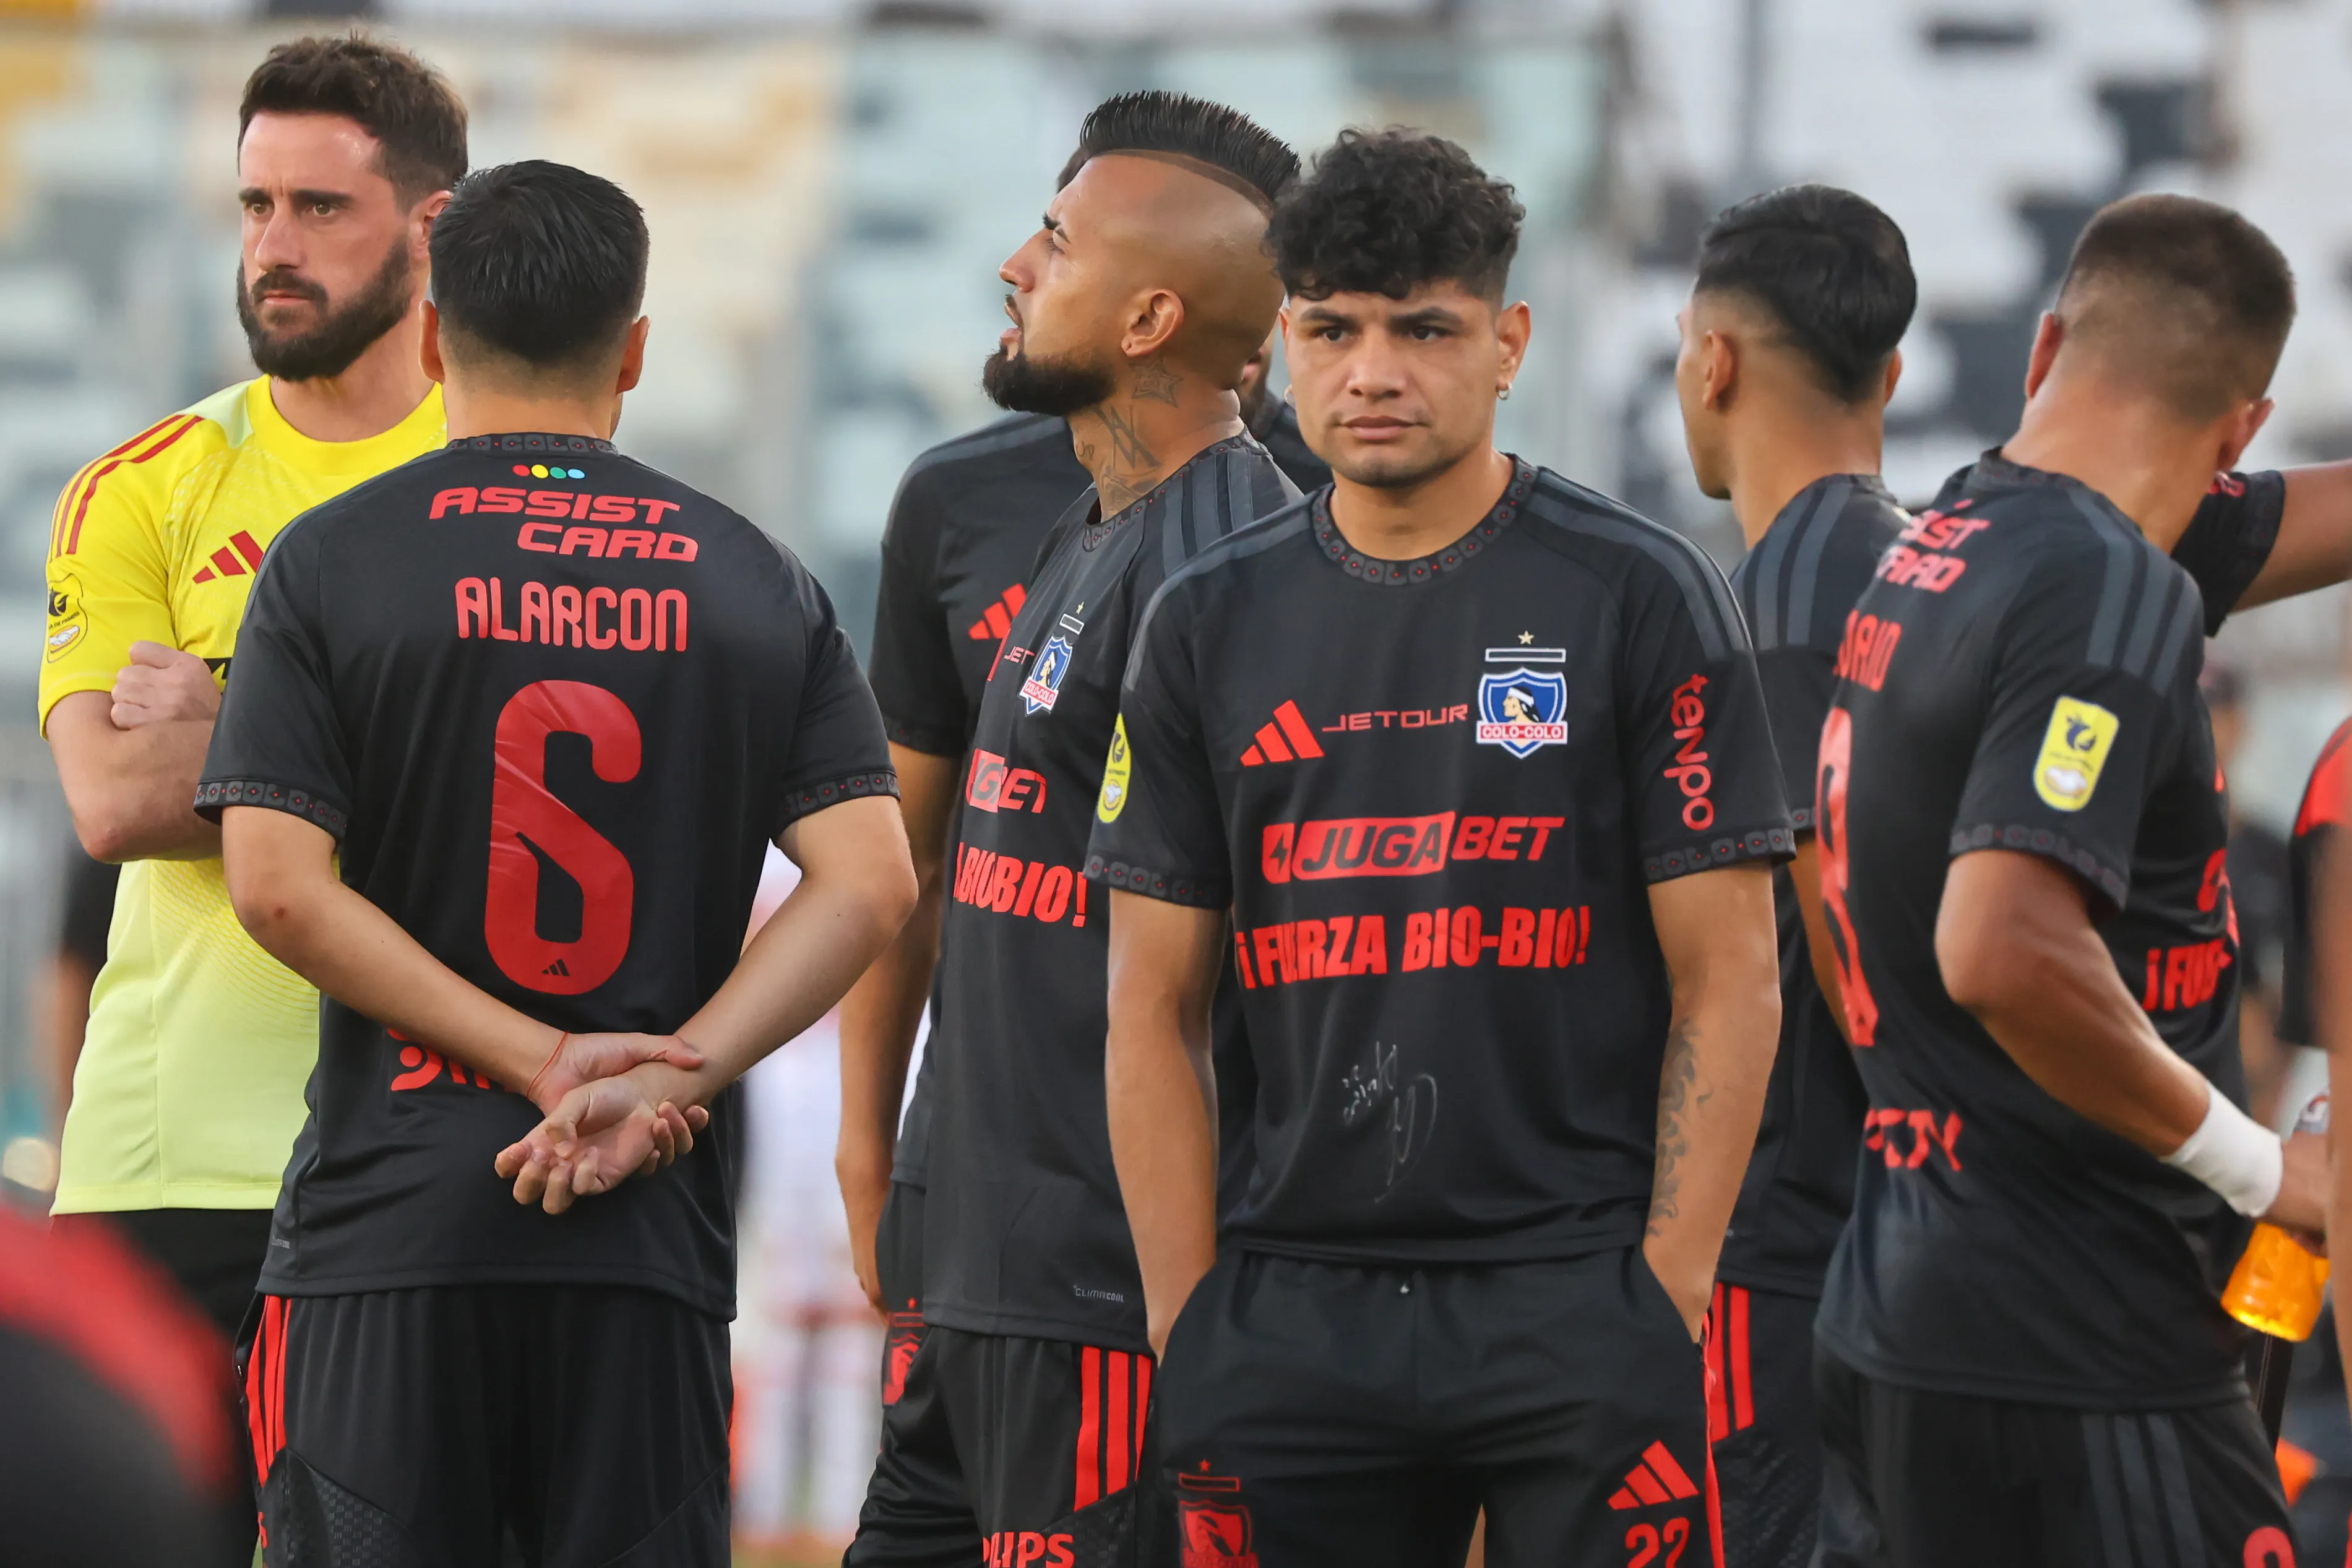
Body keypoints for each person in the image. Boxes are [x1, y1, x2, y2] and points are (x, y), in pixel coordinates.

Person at [200, 160, 916, 1564]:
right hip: (643, 1233)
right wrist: (666, 1076)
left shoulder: (333, 560)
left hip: (390, 1228)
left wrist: (538, 1062)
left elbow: (277, 884)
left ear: (430, 335)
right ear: (634, 351)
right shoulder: (755, 577)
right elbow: (872, 882)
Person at [1092, 127, 1788, 1566]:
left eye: (1424, 329)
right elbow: (1149, 1003)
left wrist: (1664, 1290)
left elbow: (1731, 976)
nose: (1373, 373)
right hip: (1290, 1311)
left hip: (1573, 1300)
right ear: (1280, 348)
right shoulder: (1203, 619)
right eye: (1331, 331)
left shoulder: (1641, 592)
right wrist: (1190, 1319)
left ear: (1508, 342)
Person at [1812, 192, 2327, 1566]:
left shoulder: (1947, 540)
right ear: (2242, 431)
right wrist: (2260, 1167)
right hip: (2081, 1342)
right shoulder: (2110, 587)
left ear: (2045, 350)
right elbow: (2002, 947)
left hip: (1904, 1301)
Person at [842, 91, 1301, 1568]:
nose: (1014, 265)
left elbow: (1241, 975)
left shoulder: (1231, 555)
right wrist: (882, 1154)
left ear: (1151, 317)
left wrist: (1193, 1312)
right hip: (981, 1265)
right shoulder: (1087, 516)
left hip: (1102, 1294)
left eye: (1055, 241)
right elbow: (925, 871)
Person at [36, 35, 463, 1564]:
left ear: (430, 228)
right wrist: (398, 743)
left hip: (422, 1149)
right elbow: (110, 800)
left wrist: (233, 726)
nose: (274, 246)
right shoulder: (145, 486)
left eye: (320, 208)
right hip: (167, 1163)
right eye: (255, 205)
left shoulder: (501, 479)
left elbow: (522, 798)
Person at [1669, 183, 1914, 1568]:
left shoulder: (1786, 602)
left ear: (1713, 363)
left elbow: (1838, 919)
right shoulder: (1911, 564)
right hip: (1888, 1232)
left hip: (1792, 1244)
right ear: (1891, 373)